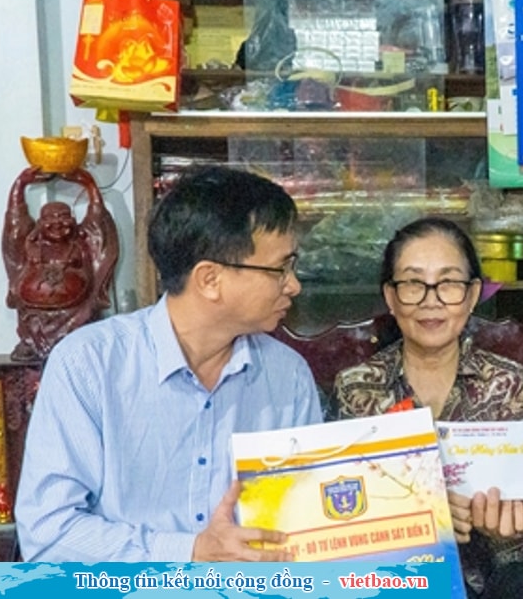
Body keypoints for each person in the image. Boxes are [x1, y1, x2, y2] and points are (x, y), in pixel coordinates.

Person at [16, 166, 324, 561]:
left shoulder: (288, 377)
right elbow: (49, 534)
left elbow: (303, 522)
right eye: (280, 268)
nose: (293, 285)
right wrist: (190, 551)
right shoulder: (88, 366)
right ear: (209, 279)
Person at [335, 217, 523, 599]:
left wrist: (518, 515)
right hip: (401, 565)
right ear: (390, 296)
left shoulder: (505, 380)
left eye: (449, 283)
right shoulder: (357, 386)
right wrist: (422, 517)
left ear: (471, 295)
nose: (431, 300)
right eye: (413, 283)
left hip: (500, 560)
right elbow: (342, 504)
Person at [2, 165, 119, 361]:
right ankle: (33, 343)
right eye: (50, 218)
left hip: (76, 315)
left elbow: (99, 227)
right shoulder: (30, 244)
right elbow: (14, 227)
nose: (57, 223)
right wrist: (19, 186)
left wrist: (90, 186)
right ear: (39, 222)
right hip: (33, 318)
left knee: (82, 344)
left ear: (73, 220)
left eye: (64, 217)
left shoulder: (82, 242)